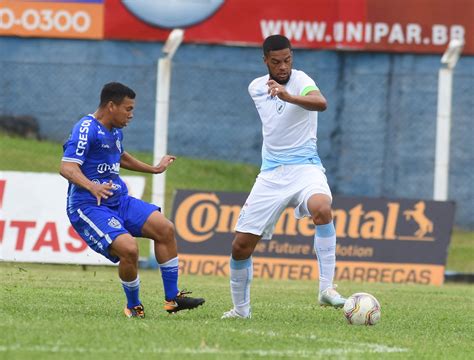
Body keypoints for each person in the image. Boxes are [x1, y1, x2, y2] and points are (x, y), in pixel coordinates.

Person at [222, 35, 346, 319]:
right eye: (276, 61)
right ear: (265, 60)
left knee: (322, 207)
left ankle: (327, 289)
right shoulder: (255, 88)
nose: (283, 67)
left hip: (306, 168)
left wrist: (290, 96)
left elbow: (321, 102)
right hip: (271, 174)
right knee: (240, 246)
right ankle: (241, 311)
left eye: (287, 60)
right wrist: (279, 95)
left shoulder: (302, 80)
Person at [60, 82, 205, 318]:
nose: (131, 114)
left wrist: (154, 169)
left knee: (164, 228)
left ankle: (173, 299)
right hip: (89, 205)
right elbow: (67, 167)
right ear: (111, 106)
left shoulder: (115, 130)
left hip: (119, 200)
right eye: (128, 109)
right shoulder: (86, 128)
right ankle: (134, 306)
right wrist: (91, 186)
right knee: (129, 249)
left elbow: (119, 156)